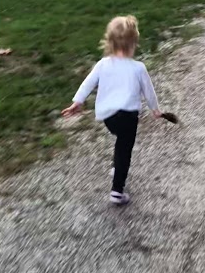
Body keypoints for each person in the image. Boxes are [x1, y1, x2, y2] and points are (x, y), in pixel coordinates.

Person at [61, 16, 163, 206]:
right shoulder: (138, 68)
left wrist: (78, 101)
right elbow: (148, 91)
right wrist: (155, 109)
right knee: (125, 149)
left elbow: (88, 83)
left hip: (109, 118)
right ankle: (117, 191)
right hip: (129, 117)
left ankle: (117, 168)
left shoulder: (102, 64)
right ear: (134, 43)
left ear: (109, 42)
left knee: (120, 141)